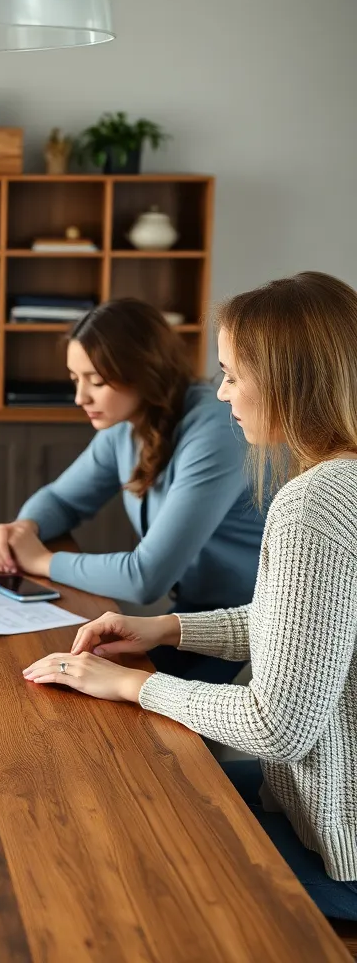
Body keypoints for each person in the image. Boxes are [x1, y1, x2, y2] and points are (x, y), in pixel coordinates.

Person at [23, 272, 357, 920]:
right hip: (302, 807)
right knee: (131, 795)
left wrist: (125, 685)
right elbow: (300, 625)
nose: (224, 390)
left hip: (337, 850)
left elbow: (275, 726)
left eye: (233, 373)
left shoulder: (315, 503)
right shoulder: (340, 483)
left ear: (287, 378)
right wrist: (167, 630)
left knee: (112, 841)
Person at [0, 299, 264, 683]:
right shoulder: (126, 424)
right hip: (189, 616)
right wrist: (24, 527)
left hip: (245, 626)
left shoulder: (215, 431)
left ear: (143, 372)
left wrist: (39, 561)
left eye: (96, 381)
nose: (81, 397)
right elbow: (62, 498)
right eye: (74, 379)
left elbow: (145, 578)